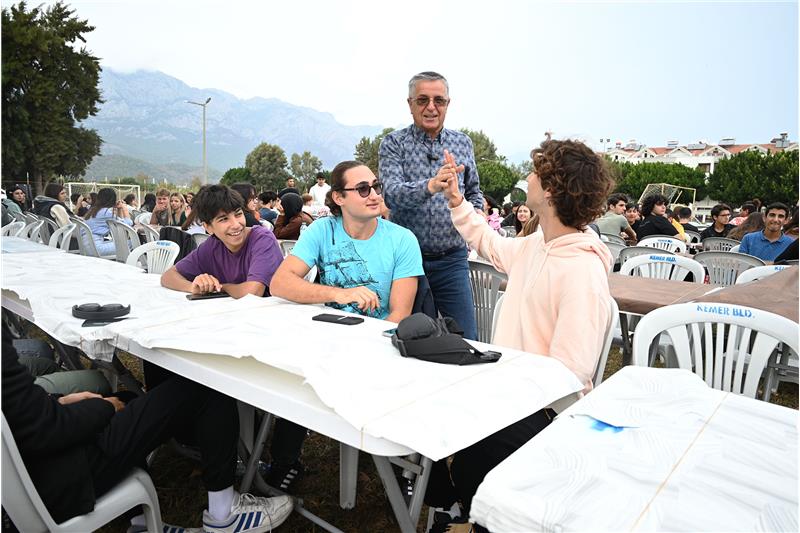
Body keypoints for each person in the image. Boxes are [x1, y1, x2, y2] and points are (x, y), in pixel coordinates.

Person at [431, 138, 613, 528]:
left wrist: (502, 396)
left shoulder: (582, 270)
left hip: (547, 412)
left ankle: (476, 511)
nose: (527, 178)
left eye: (534, 172)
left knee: (468, 448)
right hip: (511, 394)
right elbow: (490, 244)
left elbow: (571, 369)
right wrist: (456, 200)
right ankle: (457, 505)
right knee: (433, 408)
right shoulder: (537, 245)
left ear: (550, 191)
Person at [2, 325, 293, 533]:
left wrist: (58, 401)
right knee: (207, 387)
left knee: (129, 399)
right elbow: (46, 428)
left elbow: (16, 410)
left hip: (30, 469)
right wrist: (104, 408)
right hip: (56, 476)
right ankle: (225, 513)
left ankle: (141, 521)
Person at [269, 161, 423, 491]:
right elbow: (280, 283)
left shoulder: (402, 240)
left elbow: (400, 314)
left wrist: (361, 347)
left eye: (376, 186)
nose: (374, 194)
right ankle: (284, 461)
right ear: (338, 197)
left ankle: (405, 471)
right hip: (326, 338)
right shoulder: (321, 231)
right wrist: (339, 293)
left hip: (380, 344)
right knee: (290, 378)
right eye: (363, 189)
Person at [379, 71, 482, 340]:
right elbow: (391, 195)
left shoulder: (463, 142)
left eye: (439, 100)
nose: (431, 107)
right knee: (406, 339)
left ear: (448, 104)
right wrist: (432, 185)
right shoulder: (394, 143)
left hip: (452, 260)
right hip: (407, 262)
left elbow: (474, 192)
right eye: (423, 100)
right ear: (410, 103)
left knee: (465, 338)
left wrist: (477, 213)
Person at [161, 185, 283, 299]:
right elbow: (168, 276)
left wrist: (219, 287)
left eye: (238, 214)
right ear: (208, 227)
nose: (236, 224)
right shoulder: (212, 246)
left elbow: (253, 292)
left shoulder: (262, 239)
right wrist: (194, 287)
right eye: (224, 219)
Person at [83, 188, 132, 256]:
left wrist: (119, 209)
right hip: (97, 248)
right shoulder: (106, 213)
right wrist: (124, 208)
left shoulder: (94, 210)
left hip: (87, 247)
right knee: (132, 242)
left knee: (124, 243)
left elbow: (119, 223)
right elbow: (127, 224)